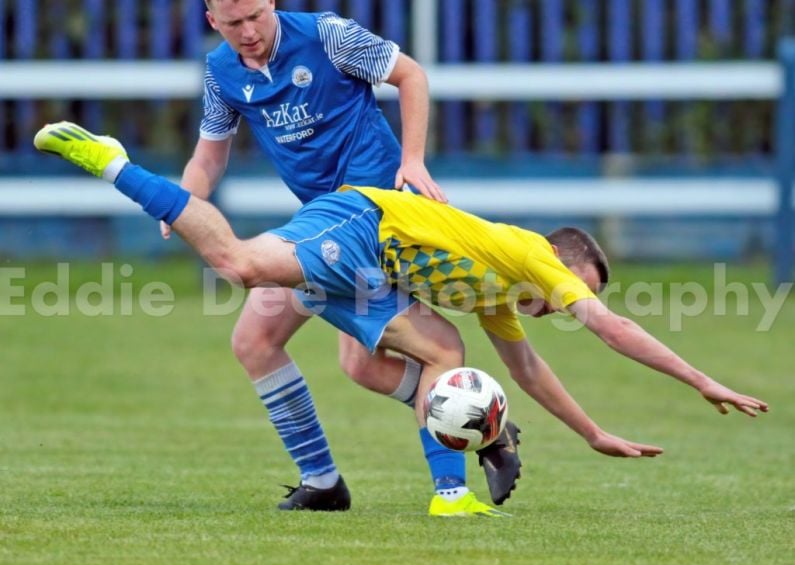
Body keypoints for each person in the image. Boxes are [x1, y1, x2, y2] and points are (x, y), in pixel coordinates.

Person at [34, 125, 770, 513]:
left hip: (370, 268)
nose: (572, 303)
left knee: (395, 358)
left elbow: (527, 371)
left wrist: (592, 434)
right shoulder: (528, 255)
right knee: (241, 265)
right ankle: (114, 165)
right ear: (561, 259)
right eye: (580, 286)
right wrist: (700, 379)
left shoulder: (500, 299)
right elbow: (611, 329)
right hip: (359, 223)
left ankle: (460, 478)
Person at [157, 0, 521, 513]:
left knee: (434, 348)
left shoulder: (328, 36)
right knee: (327, 357)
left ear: (272, 4)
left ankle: (454, 487)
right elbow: (210, 152)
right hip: (320, 223)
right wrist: (187, 202)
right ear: (213, 21)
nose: (248, 32)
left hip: (374, 218)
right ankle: (333, 478)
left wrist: (412, 159)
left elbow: (410, 74)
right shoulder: (220, 72)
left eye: (256, 16)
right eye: (233, 23)